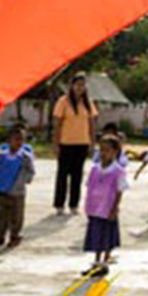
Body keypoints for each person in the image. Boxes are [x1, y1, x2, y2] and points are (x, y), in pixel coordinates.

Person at [82, 134, 128, 278]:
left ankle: (105, 263)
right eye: (101, 150)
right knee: (96, 236)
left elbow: (120, 191)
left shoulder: (118, 171)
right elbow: (89, 187)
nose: (103, 153)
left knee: (107, 236)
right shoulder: (95, 169)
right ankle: (96, 263)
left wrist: (114, 208)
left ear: (115, 152)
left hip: (107, 208)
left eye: (107, 150)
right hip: (95, 208)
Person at [52, 73, 98, 215]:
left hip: (82, 143)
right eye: (77, 84)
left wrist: (92, 142)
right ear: (71, 86)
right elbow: (57, 124)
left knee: (77, 175)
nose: (80, 88)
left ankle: (74, 204)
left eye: (82, 85)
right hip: (66, 143)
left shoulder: (88, 102)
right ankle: (59, 204)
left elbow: (91, 124)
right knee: (62, 175)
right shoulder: (63, 101)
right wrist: (55, 143)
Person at [0, 125, 35, 249]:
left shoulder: (25, 157)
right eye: (16, 139)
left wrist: (25, 180)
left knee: (17, 216)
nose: (19, 142)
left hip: (18, 193)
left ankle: (15, 235)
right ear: (9, 140)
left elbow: (31, 171)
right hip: (3, 191)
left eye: (22, 139)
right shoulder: (2, 156)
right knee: (1, 216)